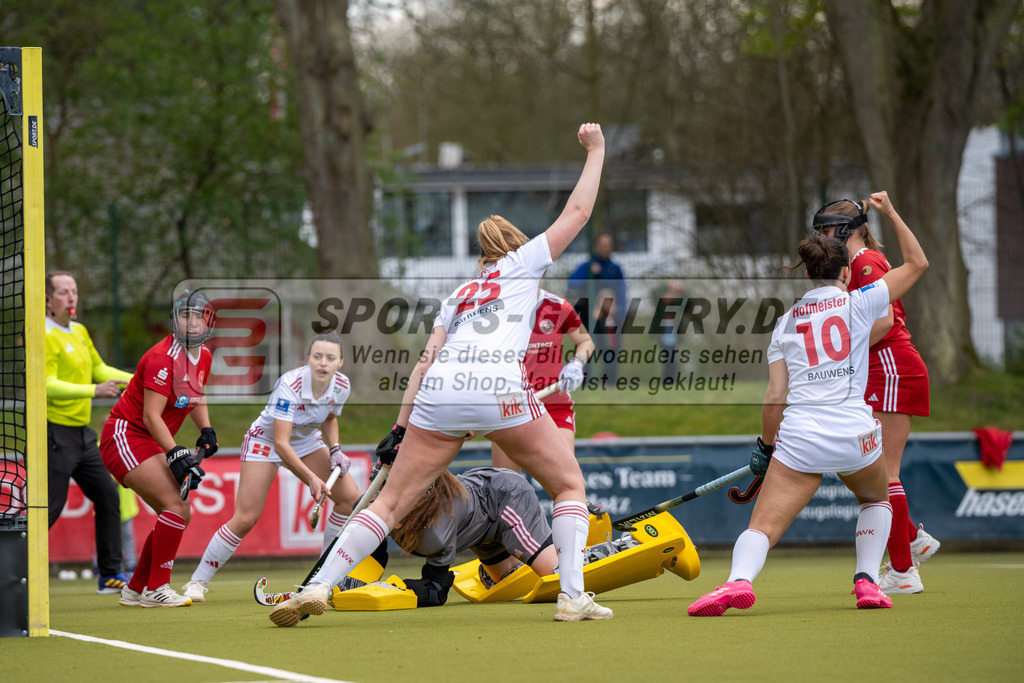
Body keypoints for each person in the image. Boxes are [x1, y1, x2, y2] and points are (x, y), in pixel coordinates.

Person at [268, 122, 609, 627]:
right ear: (515, 247)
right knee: (567, 486)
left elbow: (423, 365)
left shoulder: (458, 295)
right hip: (496, 387)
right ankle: (573, 596)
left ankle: (317, 585)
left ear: (480, 255)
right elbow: (578, 212)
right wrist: (597, 150)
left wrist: (399, 429)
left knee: (387, 504)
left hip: (440, 393)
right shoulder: (525, 265)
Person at [688, 191, 929, 617]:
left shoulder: (784, 324)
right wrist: (891, 211)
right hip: (855, 433)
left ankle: (736, 581)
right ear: (844, 271)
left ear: (809, 274)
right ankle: (868, 582)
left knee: (761, 527)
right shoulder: (861, 300)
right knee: (876, 500)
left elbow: (775, 398)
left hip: (801, 437)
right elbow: (917, 263)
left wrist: (765, 448)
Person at [812, 198, 940, 594]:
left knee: (884, 473)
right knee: (866, 469)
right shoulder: (861, 264)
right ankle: (911, 542)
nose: (820, 237)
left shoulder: (866, 263)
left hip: (891, 364)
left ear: (846, 230)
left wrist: (842, 355)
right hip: (880, 367)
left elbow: (884, 321)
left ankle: (903, 571)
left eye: (826, 230)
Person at [182, 332, 363, 602]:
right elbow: (281, 444)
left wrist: (335, 448)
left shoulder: (341, 386)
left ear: (341, 362)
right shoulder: (289, 385)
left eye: (330, 358)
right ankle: (197, 582)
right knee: (245, 518)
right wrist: (312, 478)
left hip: (306, 441)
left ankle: (324, 575)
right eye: (317, 357)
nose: (323, 363)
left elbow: (330, 418)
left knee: (349, 500)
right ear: (308, 358)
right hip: (266, 443)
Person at [99, 290, 218, 608]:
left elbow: (196, 392)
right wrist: (175, 451)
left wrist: (205, 427)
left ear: (208, 322)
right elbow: (151, 415)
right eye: (185, 315)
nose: (191, 323)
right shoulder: (161, 358)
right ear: (174, 319)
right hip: (125, 436)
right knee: (175, 505)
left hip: (149, 439)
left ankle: (136, 588)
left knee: (179, 511)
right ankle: (157, 588)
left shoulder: (203, 355)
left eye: (198, 316)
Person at [45, 271, 133, 594]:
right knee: (50, 508)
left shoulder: (79, 331)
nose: (71, 298)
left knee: (108, 497)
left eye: (74, 291)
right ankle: (17, 572)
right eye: (64, 292)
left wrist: (136, 379)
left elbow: (99, 369)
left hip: (82, 435)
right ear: (47, 299)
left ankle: (110, 575)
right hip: (54, 435)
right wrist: (94, 391)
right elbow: (47, 385)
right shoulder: (43, 334)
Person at [491, 288, 594, 471]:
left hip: (554, 405)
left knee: (568, 480)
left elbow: (585, 341)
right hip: (511, 407)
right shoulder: (497, 310)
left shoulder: (558, 306)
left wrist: (577, 363)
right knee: (506, 487)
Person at [568, 233, 627, 382]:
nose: (605, 247)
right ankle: (586, 382)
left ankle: (610, 384)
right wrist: (590, 275)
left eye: (608, 244)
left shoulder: (615, 269)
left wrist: (621, 313)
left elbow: (622, 291)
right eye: (602, 244)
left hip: (611, 319)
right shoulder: (586, 267)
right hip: (590, 318)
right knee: (588, 349)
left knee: (611, 350)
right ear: (596, 246)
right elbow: (572, 284)